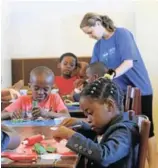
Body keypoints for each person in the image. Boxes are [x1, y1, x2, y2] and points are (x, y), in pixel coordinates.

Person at [79, 12, 156, 168]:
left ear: (98, 24)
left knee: (148, 131)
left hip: (139, 87)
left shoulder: (121, 34)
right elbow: (95, 69)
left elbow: (128, 63)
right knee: (124, 129)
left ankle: (153, 164)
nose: (90, 36)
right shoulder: (98, 45)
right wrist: (87, 81)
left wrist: (109, 75)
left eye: (90, 32)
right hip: (120, 94)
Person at [51, 78, 139, 168]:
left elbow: (105, 156)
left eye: (90, 113)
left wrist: (71, 135)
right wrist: (80, 124)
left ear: (109, 106)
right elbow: (98, 136)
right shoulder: (114, 124)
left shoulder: (124, 131)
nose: (88, 119)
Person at [1, 66, 70, 120]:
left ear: (51, 88)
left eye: (45, 89)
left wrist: (47, 114)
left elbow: (67, 116)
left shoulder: (54, 98)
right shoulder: (23, 100)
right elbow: (2, 115)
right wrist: (10, 114)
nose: (40, 92)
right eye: (36, 88)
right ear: (30, 86)